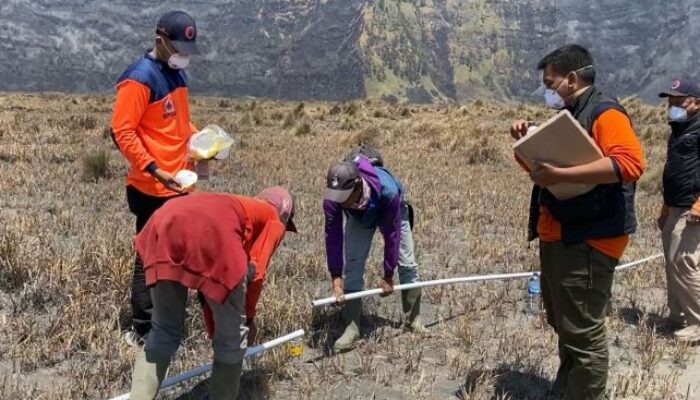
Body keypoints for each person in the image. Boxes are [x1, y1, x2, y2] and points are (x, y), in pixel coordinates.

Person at [509, 45, 644, 399]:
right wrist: (528, 143)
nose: (546, 90)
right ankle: (568, 388)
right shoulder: (570, 114)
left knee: (582, 331)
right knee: (565, 322)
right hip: (562, 233)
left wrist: (560, 173)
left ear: (571, 79)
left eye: (549, 82)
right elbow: (547, 176)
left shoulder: (605, 112)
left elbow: (629, 165)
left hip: (589, 239)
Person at [128, 187, 297, 400]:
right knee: (232, 337)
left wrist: (212, 326)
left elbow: (210, 286)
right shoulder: (274, 219)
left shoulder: (237, 202)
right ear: (285, 211)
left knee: (163, 331)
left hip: (163, 222)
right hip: (209, 234)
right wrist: (249, 320)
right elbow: (255, 273)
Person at [111, 10, 202, 344]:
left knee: (175, 252)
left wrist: (200, 140)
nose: (183, 54)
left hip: (177, 184)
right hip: (151, 187)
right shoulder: (138, 79)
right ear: (159, 40)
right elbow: (122, 131)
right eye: (178, 47)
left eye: (187, 48)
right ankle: (142, 326)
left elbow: (177, 125)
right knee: (149, 255)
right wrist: (154, 169)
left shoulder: (176, 74)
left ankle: (168, 312)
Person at [323, 151, 425, 353]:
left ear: (358, 186)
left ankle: (414, 320)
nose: (339, 201)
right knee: (352, 265)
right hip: (359, 217)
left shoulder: (388, 192)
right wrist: (335, 277)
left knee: (408, 264)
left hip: (392, 211)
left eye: (345, 197)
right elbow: (332, 236)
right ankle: (352, 327)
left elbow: (392, 235)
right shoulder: (333, 198)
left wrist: (388, 274)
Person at [657, 78, 700, 343]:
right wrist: (665, 208)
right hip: (675, 204)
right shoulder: (679, 128)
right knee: (672, 260)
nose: (673, 105)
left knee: (684, 261)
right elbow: (673, 171)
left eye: (679, 100)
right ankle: (678, 315)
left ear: (696, 102)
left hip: (691, 206)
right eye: (670, 100)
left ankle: (697, 322)